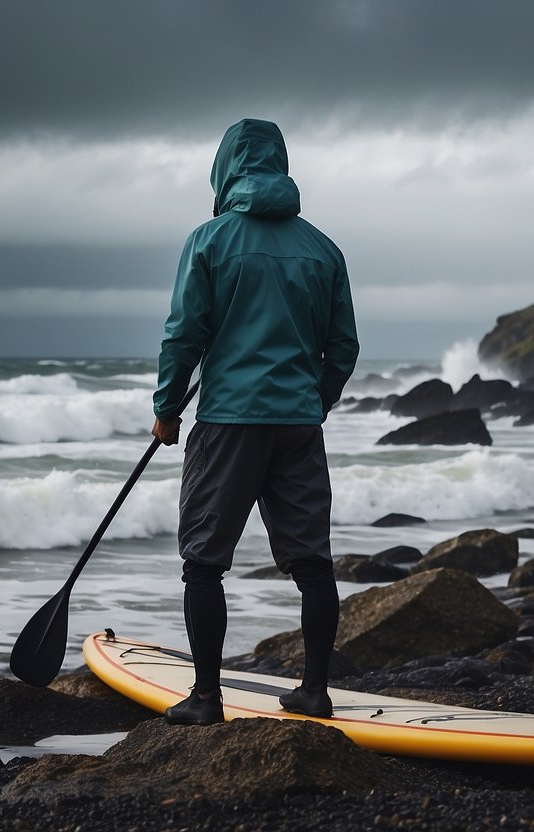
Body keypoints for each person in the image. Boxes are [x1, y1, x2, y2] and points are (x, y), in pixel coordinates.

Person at [151, 118, 359, 725]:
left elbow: (185, 334)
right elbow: (342, 348)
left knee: (204, 561)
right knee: (312, 561)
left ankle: (206, 698)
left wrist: (166, 410)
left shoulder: (210, 240)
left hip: (228, 422)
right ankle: (315, 691)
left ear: (226, 170)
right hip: (297, 425)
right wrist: (311, 402)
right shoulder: (323, 249)